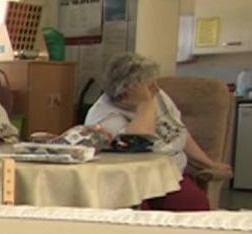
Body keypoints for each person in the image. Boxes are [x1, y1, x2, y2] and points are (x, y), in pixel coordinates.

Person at [84, 52, 232, 211]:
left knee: (195, 204)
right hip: (137, 182)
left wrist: (208, 162)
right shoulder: (103, 117)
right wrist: (146, 103)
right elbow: (138, 147)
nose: (156, 88)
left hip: (172, 173)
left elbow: (178, 132)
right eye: (147, 85)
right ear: (126, 90)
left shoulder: (157, 94)